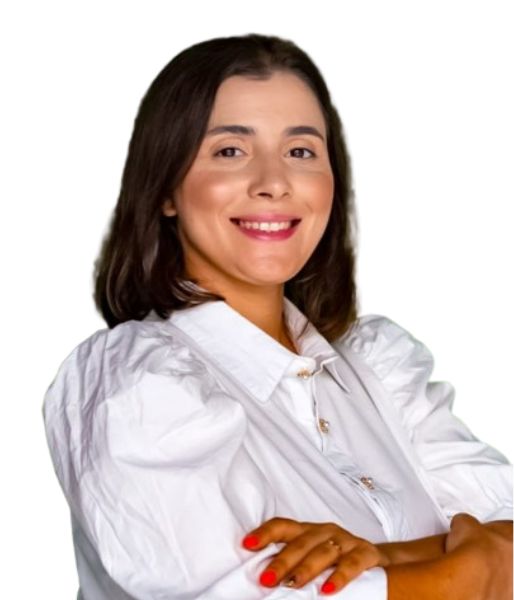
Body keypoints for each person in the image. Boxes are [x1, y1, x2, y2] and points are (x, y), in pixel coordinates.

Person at [42, 33, 512, 599]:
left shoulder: (379, 366)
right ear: (165, 188)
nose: (274, 183)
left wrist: (387, 558)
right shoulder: (134, 382)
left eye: (301, 151)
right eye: (230, 151)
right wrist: (474, 570)